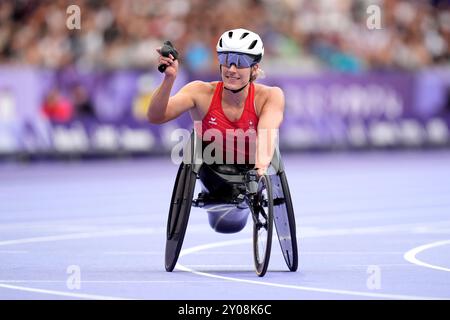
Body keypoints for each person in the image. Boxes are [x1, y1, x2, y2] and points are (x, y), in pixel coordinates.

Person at [148, 28, 285, 233]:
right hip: (212, 173)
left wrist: (259, 171)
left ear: (255, 68)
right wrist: (169, 79)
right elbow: (156, 116)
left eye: (240, 62)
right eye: (226, 59)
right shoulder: (200, 92)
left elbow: (267, 136)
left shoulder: (270, 96)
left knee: (248, 183)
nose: (231, 68)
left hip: (250, 171)